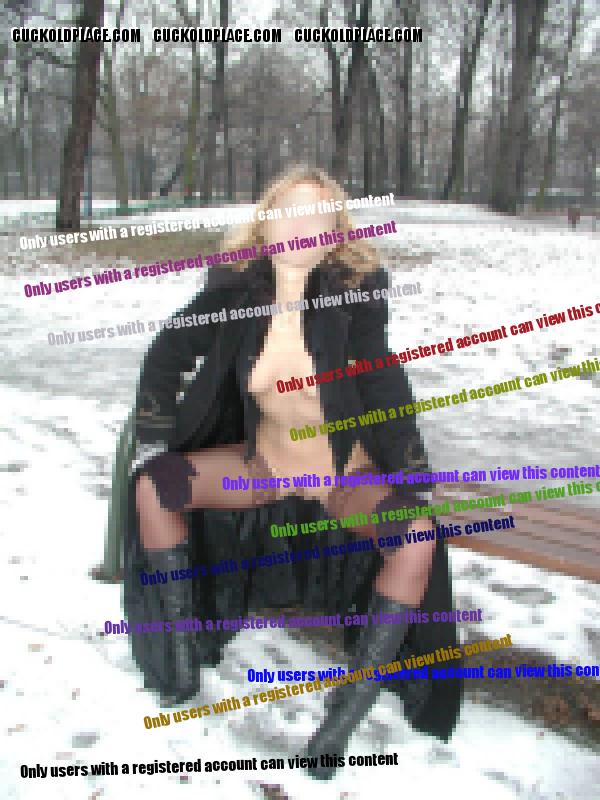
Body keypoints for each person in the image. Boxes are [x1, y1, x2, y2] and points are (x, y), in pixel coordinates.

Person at [120, 164, 462, 780]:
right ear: (268, 220)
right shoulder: (234, 289)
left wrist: (413, 471)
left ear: (335, 230)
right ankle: (180, 657)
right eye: (292, 210)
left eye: (318, 213)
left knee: (416, 538)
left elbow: (383, 380)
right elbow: (167, 351)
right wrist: (152, 438)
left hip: (341, 473)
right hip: (265, 465)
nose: (304, 224)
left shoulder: (354, 294)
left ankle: (346, 710)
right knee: (155, 489)